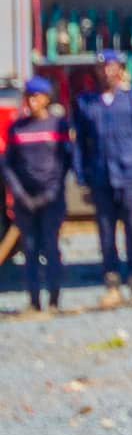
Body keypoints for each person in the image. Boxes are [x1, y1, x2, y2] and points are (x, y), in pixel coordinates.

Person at [74, 52, 132, 307]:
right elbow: (81, 146)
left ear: (120, 69)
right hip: (101, 177)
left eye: (112, 67)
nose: (107, 72)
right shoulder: (86, 104)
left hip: (130, 175)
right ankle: (112, 283)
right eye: (102, 67)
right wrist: (82, 179)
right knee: (106, 233)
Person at [3, 78, 72, 316]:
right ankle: (34, 301)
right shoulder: (17, 128)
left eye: (36, 96)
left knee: (51, 248)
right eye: (28, 97)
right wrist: (20, 195)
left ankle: (53, 299)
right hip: (25, 200)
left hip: (52, 199)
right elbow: (8, 165)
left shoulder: (57, 125)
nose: (31, 101)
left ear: (46, 98)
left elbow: (65, 163)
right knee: (30, 251)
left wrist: (52, 193)